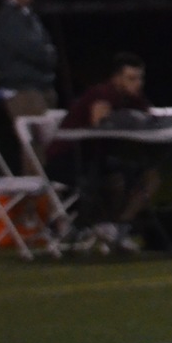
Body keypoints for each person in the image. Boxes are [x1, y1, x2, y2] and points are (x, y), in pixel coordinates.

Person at [45, 52, 159, 253]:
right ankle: (104, 225)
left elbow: (148, 117)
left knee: (150, 178)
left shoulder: (132, 98)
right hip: (67, 159)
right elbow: (99, 123)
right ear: (116, 78)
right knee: (116, 179)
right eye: (131, 78)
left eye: (140, 78)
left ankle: (119, 227)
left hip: (95, 158)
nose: (138, 84)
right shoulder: (103, 94)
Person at [0, 0, 59, 169]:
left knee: (44, 149)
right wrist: (45, 53)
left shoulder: (29, 16)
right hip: (24, 92)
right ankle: (34, 190)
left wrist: (47, 53)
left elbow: (47, 45)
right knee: (34, 151)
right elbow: (32, 50)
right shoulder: (9, 18)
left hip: (41, 87)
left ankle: (43, 188)